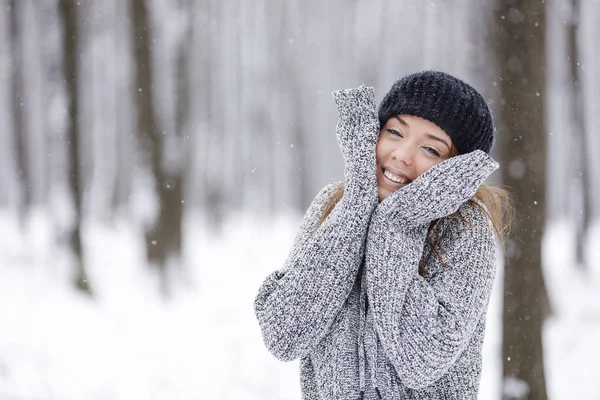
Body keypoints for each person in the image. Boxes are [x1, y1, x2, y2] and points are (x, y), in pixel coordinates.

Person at [253, 70, 513, 399]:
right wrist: (356, 206)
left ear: (458, 170)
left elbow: (421, 360)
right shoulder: (334, 205)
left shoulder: (466, 232)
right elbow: (285, 335)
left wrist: (397, 223)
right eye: (394, 132)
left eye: (431, 150)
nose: (403, 154)